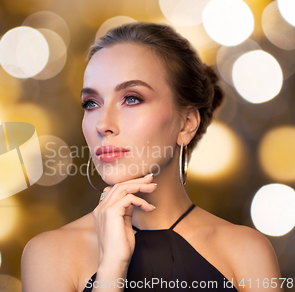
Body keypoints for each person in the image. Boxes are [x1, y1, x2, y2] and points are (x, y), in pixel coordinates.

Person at [21, 22, 283, 291]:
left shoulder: (247, 252)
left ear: (186, 124)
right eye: (92, 103)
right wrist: (111, 268)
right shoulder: (50, 254)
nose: (102, 124)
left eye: (132, 99)